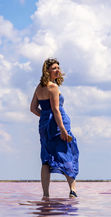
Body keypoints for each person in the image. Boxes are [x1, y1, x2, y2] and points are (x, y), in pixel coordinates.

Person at [30, 58, 79, 198]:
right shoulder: (53, 87)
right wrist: (62, 129)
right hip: (58, 125)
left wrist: (45, 117)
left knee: (46, 158)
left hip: (45, 127)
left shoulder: (39, 87)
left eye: (58, 68)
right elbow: (56, 110)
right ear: (47, 71)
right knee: (67, 153)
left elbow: (33, 108)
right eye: (54, 68)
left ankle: (45, 195)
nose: (58, 70)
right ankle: (73, 190)